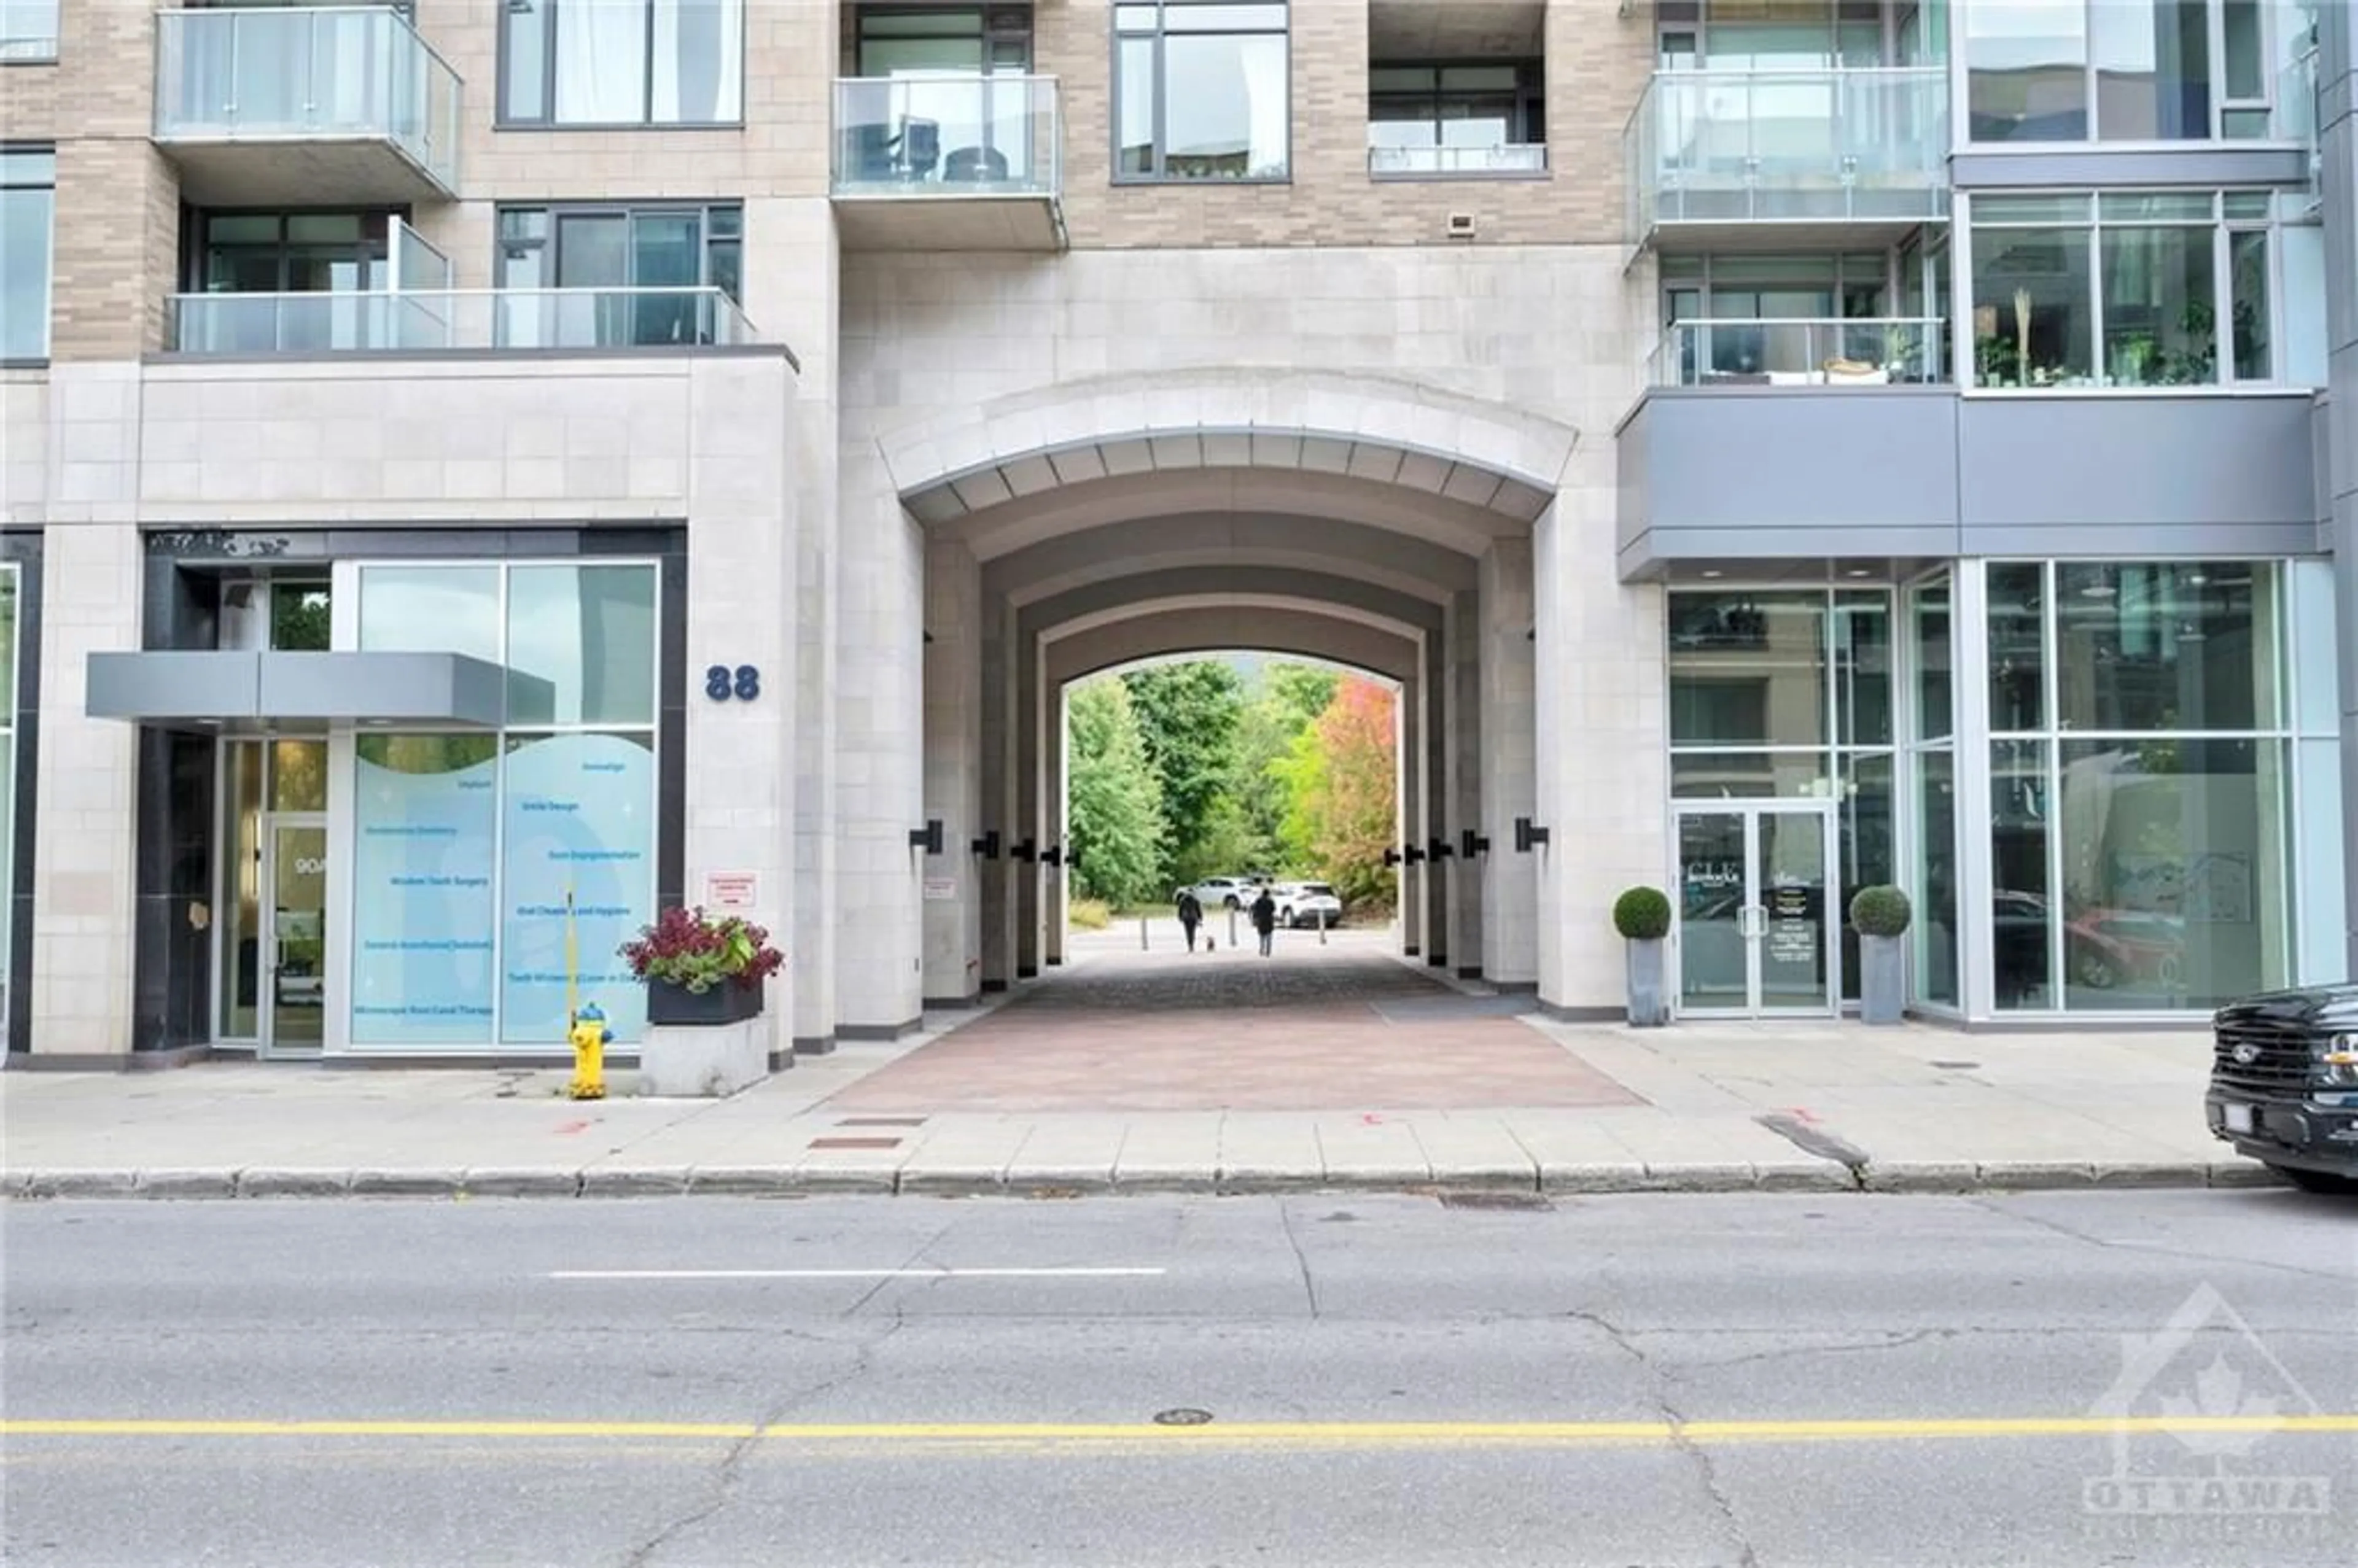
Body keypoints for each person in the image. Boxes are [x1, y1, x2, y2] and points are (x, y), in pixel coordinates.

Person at [1249, 885, 1277, 958]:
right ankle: (1268, 951)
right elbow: (1274, 909)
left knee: (1262, 937)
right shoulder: (1271, 901)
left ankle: (1262, 950)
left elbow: (1255, 910)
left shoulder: (1258, 901)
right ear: (1268, 894)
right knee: (1269, 936)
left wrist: (1255, 919)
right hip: (1269, 920)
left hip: (1261, 920)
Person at [1176, 888, 1204, 952]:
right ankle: (1192, 944)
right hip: (1193, 917)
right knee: (1193, 931)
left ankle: (1189, 944)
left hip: (1186, 918)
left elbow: (1180, 910)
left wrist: (1180, 917)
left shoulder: (1183, 900)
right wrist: (1200, 918)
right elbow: (1198, 910)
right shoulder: (1196, 900)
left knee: (1188, 931)